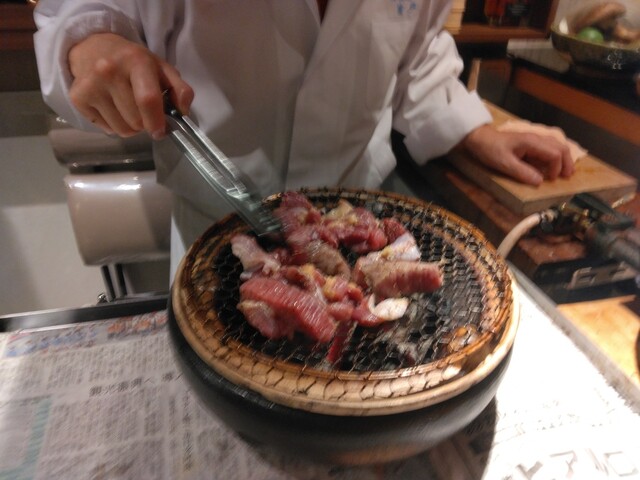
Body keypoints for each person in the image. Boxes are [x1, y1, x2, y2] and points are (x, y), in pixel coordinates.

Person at [33, 0, 574, 278]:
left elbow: (418, 50)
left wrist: (472, 130)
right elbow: (81, 14)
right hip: (217, 226)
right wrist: (91, 44)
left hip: (358, 229)